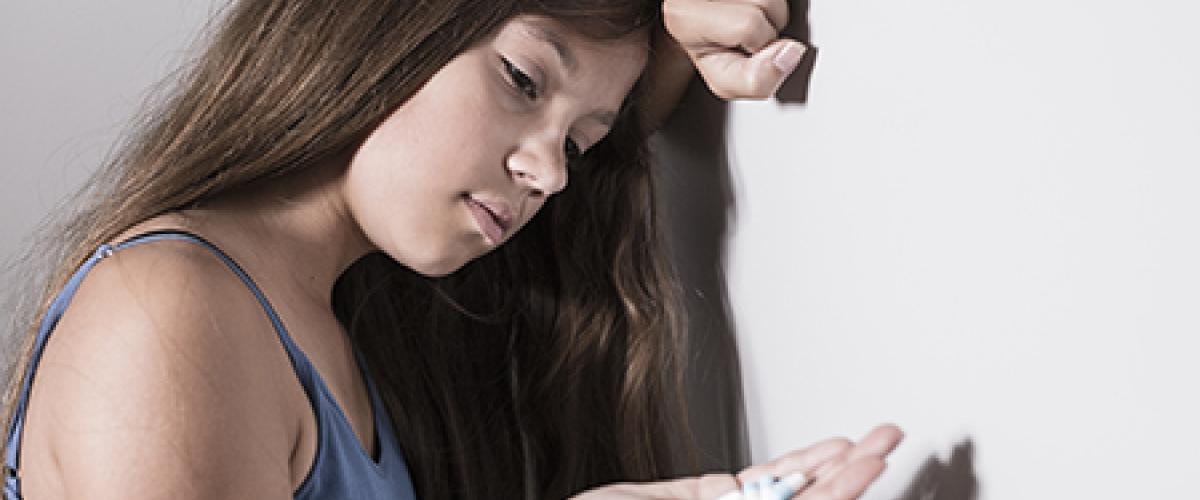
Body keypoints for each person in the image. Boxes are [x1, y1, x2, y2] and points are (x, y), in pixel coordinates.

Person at [1, 0, 902, 498]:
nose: (549, 172)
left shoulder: (325, 325)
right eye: (520, 80)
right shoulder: (170, 315)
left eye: (579, 142)